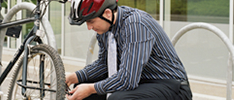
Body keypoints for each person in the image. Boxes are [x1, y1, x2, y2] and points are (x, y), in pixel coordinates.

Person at [65, 0, 193, 100]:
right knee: (82, 87)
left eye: (91, 21)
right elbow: (104, 64)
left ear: (108, 13)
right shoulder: (105, 29)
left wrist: (91, 88)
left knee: (119, 98)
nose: (89, 27)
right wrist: (74, 77)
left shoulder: (136, 25)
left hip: (171, 86)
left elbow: (127, 79)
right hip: (142, 82)